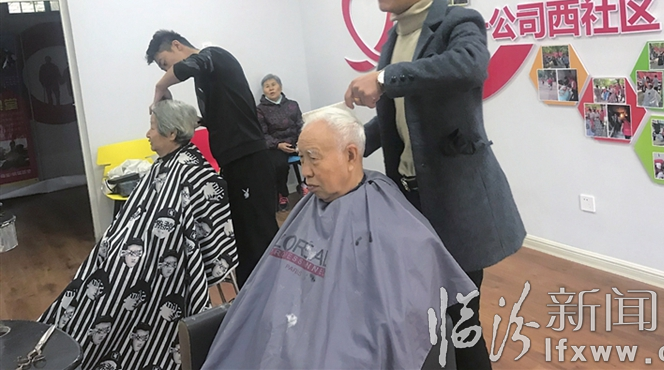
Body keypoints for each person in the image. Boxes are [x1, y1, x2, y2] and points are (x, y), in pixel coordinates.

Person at [344, 0, 525, 370]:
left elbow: (468, 66)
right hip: (409, 200)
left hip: (456, 201)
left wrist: (383, 78)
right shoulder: (395, 35)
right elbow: (399, 117)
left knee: (462, 317)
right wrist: (350, 146)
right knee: (425, 315)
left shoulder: (459, 22)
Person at [202, 107, 476, 370]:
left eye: (314, 158)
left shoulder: (391, 221)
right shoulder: (307, 208)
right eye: (302, 158)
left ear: (350, 155)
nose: (305, 172)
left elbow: (398, 317)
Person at [39, 100, 237, 369]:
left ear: (171, 133)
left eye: (153, 127)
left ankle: (91, 348)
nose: (148, 133)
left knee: (114, 289)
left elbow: (193, 230)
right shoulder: (164, 164)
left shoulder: (190, 170)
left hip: (159, 263)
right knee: (91, 280)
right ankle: (64, 341)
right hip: (132, 249)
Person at [146, 30, 278, 286]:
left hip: (249, 159)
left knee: (259, 234)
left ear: (177, 45)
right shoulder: (207, 77)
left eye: (165, 63)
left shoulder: (214, 56)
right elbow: (223, 116)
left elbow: (188, 66)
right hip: (232, 162)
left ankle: (275, 292)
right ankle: (250, 298)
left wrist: (161, 87)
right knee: (243, 236)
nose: (167, 71)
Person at [256, 74, 304, 212]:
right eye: (267, 86)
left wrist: (301, 141)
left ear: (280, 87)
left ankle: (306, 185)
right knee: (279, 165)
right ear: (264, 90)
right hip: (277, 146)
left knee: (314, 155)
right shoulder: (260, 110)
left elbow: (300, 125)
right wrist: (278, 145)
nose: (271, 88)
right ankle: (282, 194)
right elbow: (263, 134)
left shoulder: (293, 105)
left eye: (273, 85)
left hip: (296, 142)